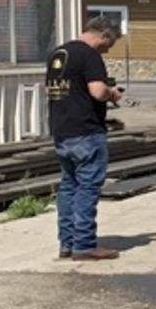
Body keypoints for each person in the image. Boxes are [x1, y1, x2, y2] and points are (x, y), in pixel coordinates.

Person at [46, 16, 124, 261]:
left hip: (62, 130)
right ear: (103, 35)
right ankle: (85, 245)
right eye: (109, 43)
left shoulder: (59, 54)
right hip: (86, 131)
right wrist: (112, 93)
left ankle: (67, 243)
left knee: (69, 187)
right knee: (87, 189)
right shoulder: (89, 55)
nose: (108, 49)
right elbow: (97, 91)